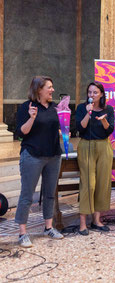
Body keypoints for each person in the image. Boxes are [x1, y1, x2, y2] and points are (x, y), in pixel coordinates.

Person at [15, 76, 64, 247]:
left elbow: (55, 128)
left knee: (50, 194)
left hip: (53, 156)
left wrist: (62, 133)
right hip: (32, 156)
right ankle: (22, 233)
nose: (52, 90)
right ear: (38, 90)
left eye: (52, 87)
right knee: (27, 195)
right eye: (49, 87)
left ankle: (48, 227)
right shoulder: (26, 107)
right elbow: (21, 133)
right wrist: (31, 118)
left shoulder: (54, 107)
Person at [76, 82, 115, 235]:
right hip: (86, 146)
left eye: (95, 92)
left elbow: (109, 130)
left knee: (102, 183)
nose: (91, 95)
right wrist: (88, 113)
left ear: (101, 94)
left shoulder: (109, 109)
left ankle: (96, 220)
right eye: (89, 92)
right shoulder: (81, 108)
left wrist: (103, 119)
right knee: (88, 184)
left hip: (104, 147)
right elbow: (80, 128)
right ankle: (82, 224)